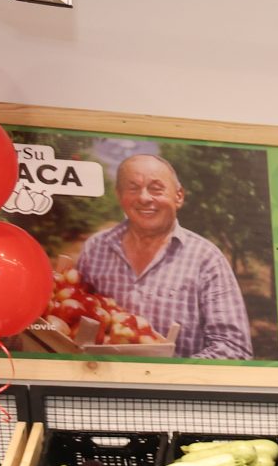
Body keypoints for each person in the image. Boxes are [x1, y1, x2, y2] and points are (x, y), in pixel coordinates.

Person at [72, 153, 254, 360]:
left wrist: (167, 374)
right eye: (133, 188)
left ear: (179, 196)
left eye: (156, 189)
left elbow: (234, 349)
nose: (144, 198)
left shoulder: (206, 259)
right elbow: (75, 317)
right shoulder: (96, 248)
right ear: (119, 196)